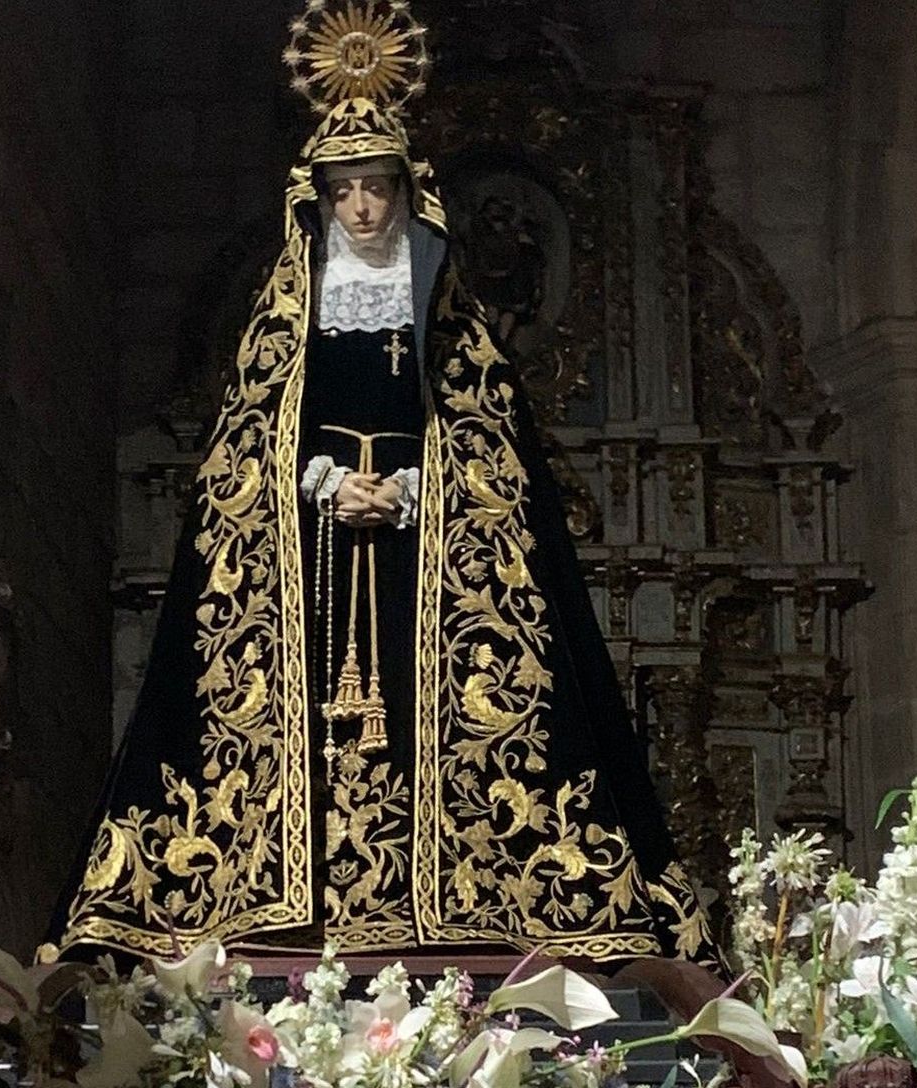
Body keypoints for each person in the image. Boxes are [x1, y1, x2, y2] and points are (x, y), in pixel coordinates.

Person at [48, 97, 716, 970]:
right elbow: (242, 460)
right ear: (318, 201)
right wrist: (320, 484)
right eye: (344, 190)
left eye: (376, 187)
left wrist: (409, 492)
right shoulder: (283, 328)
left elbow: (498, 467)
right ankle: (289, 897)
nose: (361, 206)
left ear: (407, 194)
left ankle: (464, 895)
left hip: (427, 568)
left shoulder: (454, 332)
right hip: (310, 560)